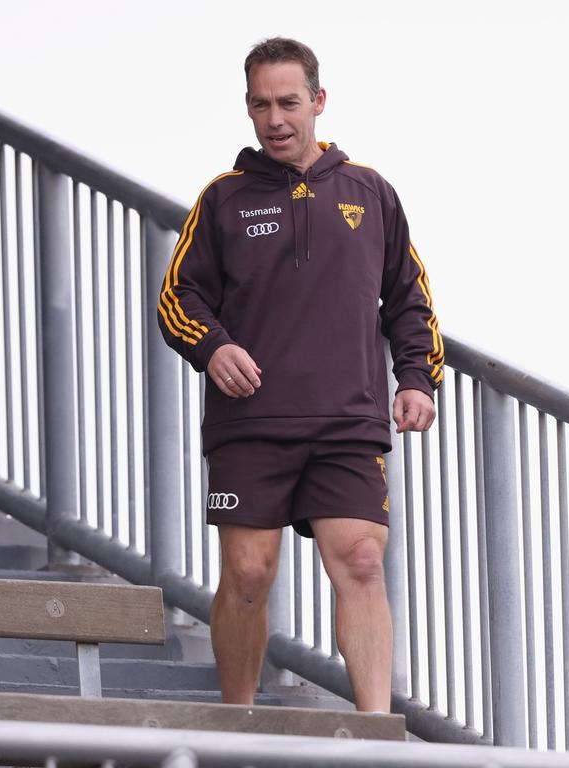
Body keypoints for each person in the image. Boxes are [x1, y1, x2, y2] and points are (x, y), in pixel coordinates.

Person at [157, 37, 443, 712]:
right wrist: (214, 346)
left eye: (289, 102)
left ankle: (376, 731)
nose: (275, 118)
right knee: (249, 573)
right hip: (250, 422)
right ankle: (238, 722)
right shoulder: (222, 200)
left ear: (318, 102)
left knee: (363, 563)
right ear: (248, 108)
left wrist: (416, 378)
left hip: (347, 421)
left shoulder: (370, 192)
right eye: (261, 104)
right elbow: (178, 298)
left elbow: (410, 297)